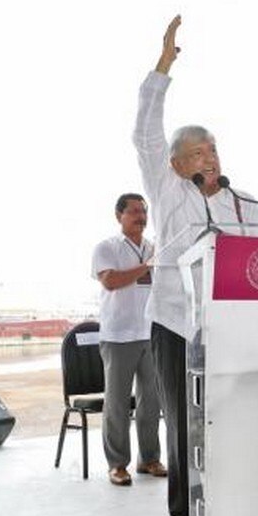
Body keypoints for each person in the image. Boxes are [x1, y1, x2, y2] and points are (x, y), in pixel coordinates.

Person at [135, 16, 258, 516]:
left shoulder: (239, 201)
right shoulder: (165, 187)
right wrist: (163, 65)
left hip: (229, 325)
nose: (212, 158)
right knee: (186, 423)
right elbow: (144, 127)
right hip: (175, 322)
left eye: (215, 150)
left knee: (231, 420)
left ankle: (236, 509)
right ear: (177, 161)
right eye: (201, 152)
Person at [91, 194, 166, 487]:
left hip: (151, 334)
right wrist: (148, 266)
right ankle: (117, 464)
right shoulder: (107, 247)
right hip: (119, 335)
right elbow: (110, 281)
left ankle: (149, 459)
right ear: (119, 215)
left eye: (144, 211)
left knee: (151, 402)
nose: (141, 216)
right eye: (134, 211)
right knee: (117, 404)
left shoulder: (155, 248)